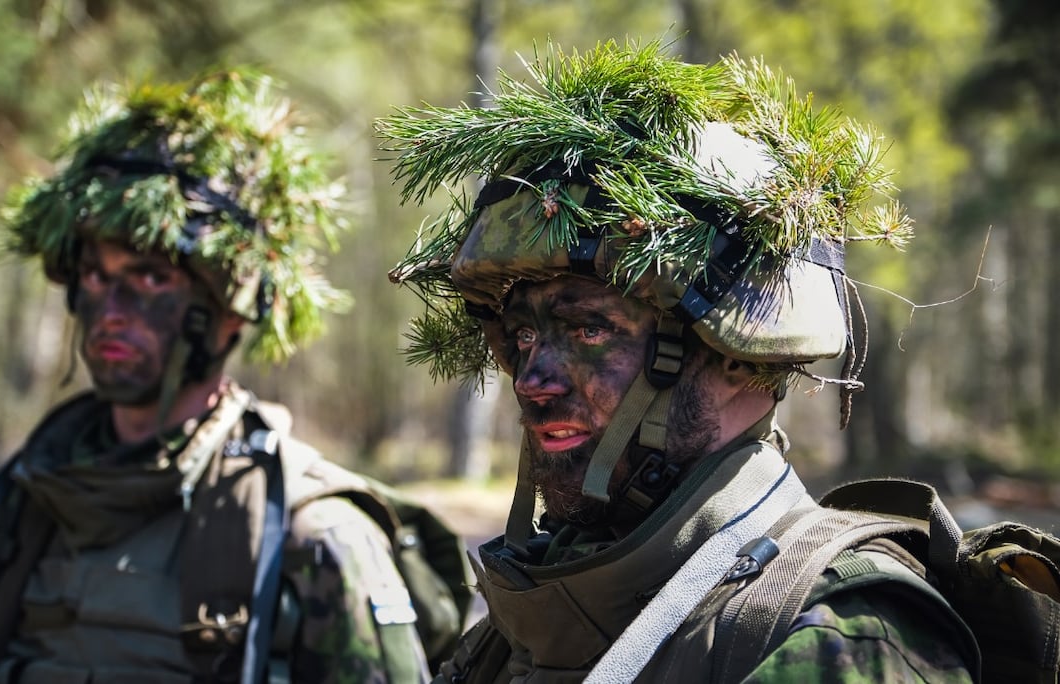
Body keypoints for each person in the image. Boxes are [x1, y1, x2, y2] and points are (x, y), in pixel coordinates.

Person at [377, 41, 979, 682]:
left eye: (589, 330)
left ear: (734, 359)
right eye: (524, 337)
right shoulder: (534, 614)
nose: (532, 381)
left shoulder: (835, 635)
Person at [0, 67, 435, 684]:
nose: (113, 312)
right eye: (96, 276)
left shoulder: (312, 531)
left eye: (151, 278)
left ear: (228, 312)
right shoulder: (27, 496)